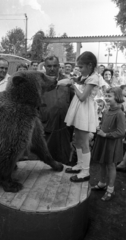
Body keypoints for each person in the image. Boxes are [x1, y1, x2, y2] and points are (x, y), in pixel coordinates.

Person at [63, 51, 99, 182]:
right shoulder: (87, 75)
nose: (79, 69)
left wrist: (73, 86)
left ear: (90, 65)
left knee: (84, 142)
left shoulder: (94, 78)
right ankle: (79, 164)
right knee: (77, 140)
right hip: (79, 110)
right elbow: (81, 84)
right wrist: (75, 81)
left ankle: (85, 171)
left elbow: (83, 97)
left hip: (85, 111)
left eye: (81, 67)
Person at [91, 87, 125, 201]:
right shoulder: (106, 111)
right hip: (103, 141)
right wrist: (99, 127)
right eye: (106, 96)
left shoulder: (120, 113)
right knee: (102, 163)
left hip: (112, 143)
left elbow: (121, 132)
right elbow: (104, 124)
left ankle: (110, 190)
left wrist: (105, 134)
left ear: (118, 97)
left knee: (111, 166)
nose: (106, 98)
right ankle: (102, 183)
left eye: (109, 96)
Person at [40, 55, 74, 165]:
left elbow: (73, 100)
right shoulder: (40, 82)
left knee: (63, 153)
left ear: (59, 66)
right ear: (45, 66)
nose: (52, 68)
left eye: (55, 66)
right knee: (45, 155)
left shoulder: (67, 81)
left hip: (64, 125)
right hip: (46, 124)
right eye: (49, 66)